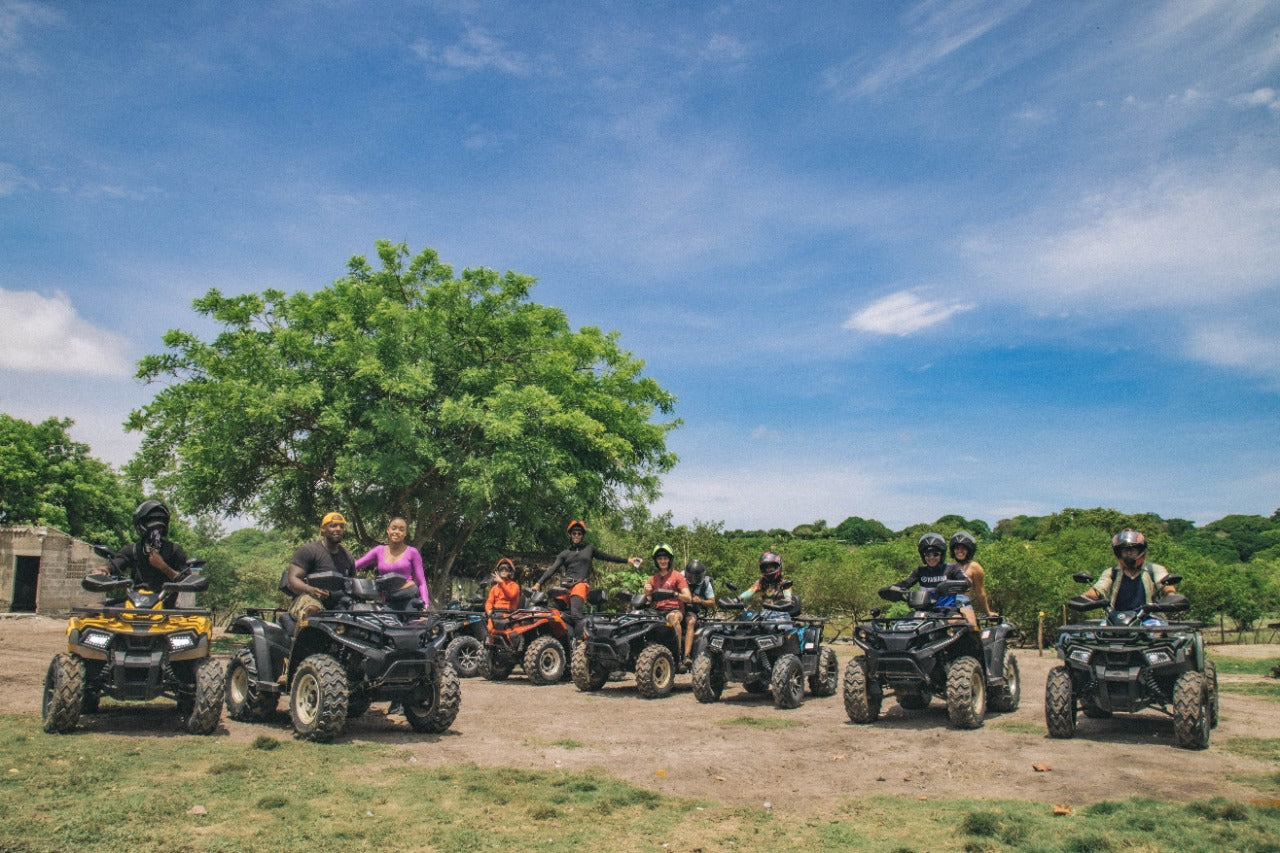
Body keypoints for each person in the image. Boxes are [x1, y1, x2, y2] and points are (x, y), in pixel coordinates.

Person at [533, 520, 641, 638]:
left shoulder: (589, 549)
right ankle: (560, 639)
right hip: (565, 585)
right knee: (553, 612)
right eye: (574, 533)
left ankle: (581, 642)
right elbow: (552, 569)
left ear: (582, 535)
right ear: (570, 535)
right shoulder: (565, 553)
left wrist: (627, 560)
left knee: (575, 614)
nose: (576, 536)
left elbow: (607, 557)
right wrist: (538, 583)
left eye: (579, 533)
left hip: (580, 584)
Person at [100, 500, 189, 593]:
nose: (155, 532)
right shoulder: (132, 550)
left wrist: (164, 567)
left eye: (159, 527)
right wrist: (103, 570)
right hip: (135, 603)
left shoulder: (174, 550)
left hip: (165, 604)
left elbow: (187, 582)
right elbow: (116, 564)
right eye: (151, 526)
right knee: (94, 606)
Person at [284, 511, 356, 622]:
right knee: (312, 610)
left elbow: (352, 585)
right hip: (308, 598)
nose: (338, 529)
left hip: (338, 602)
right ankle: (300, 639)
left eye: (341, 526)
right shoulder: (309, 551)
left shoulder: (348, 557)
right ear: (323, 530)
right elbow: (292, 579)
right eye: (333, 526)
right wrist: (311, 589)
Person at [1082, 528, 1175, 613]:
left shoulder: (1154, 569)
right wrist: (1083, 598)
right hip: (1117, 619)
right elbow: (1099, 589)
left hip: (1149, 617)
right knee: (1099, 630)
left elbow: (1165, 583)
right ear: (1119, 552)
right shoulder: (1111, 572)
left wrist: (1170, 595)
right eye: (1124, 550)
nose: (1128, 553)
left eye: (1132, 549)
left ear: (1140, 550)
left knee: (1156, 630)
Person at [894, 533, 976, 628]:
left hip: (947, 611)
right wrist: (892, 589)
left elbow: (967, 582)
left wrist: (948, 584)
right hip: (925, 612)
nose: (931, 558)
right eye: (928, 554)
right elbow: (906, 583)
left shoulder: (952, 568)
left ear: (942, 555)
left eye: (935, 554)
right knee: (902, 625)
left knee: (958, 622)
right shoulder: (920, 571)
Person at [354, 516, 429, 611]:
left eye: (401, 530)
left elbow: (421, 581)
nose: (397, 532)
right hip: (389, 602)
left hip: (409, 601)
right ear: (388, 530)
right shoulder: (378, 551)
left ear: (405, 533)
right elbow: (355, 565)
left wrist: (425, 604)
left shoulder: (412, 552)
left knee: (414, 625)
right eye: (394, 528)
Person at [641, 544, 692, 668]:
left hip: (675, 610)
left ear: (669, 559)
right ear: (656, 561)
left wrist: (675, 594)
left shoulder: (677, 576)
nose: (663, 561)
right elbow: (648, 599)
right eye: (660, 559)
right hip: (657, 611)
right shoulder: (653, 579)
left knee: (673, 618)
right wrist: (647, 591)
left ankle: (678, 657)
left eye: (665, 558)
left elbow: (688, 597)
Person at [949, 531, 994, 619]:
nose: (960, 551)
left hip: (963, 603)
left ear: (969, 550)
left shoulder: (974, 567)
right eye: (957, 548)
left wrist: (988, 612)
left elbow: (980, 592)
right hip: (948, 604)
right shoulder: (949, 567)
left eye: (963, 549)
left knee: (969, 627)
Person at [739, 551, 796, 617]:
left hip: (782, 615)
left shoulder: (784, 583)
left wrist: (787, 600)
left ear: (777, 566)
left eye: (771, 567)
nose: (768, 570)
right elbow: (749, 592)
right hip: (765, 615)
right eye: (766, 567)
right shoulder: (761, 583)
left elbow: (788, 596)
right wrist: (737, 599)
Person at [681, 559, 715, 667]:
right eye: (690, 576)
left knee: (690, 622)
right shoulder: (680, 576)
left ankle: (686, 655)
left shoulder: (706, 583)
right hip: (676, 607)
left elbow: (712, 602)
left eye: (695, 577)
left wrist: (701, 601)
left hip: (691, 610)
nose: (692, 579)